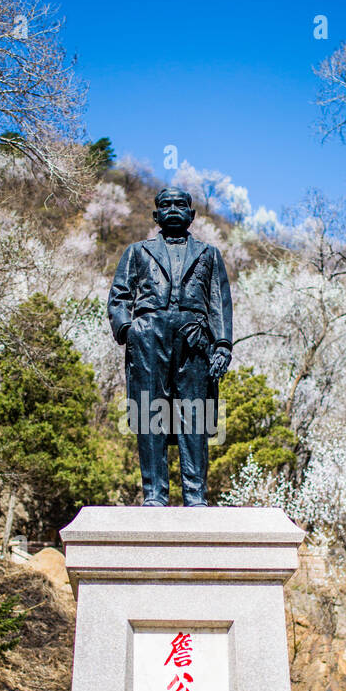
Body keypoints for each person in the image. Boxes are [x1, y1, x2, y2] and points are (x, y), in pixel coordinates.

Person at [107, 186, 233, 505]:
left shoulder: (209, 254)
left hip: (195, 336)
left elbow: (219, 302)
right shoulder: (137, 251)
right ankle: (154, 494)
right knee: (150, 412)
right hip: (149, 334)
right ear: (155, 214)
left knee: (195, 413)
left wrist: (222, 345)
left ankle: (195, 495)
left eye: (180, 204)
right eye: (166, 204)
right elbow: (119, 296)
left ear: (192, 214)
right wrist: (129, 329)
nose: (173, 209)